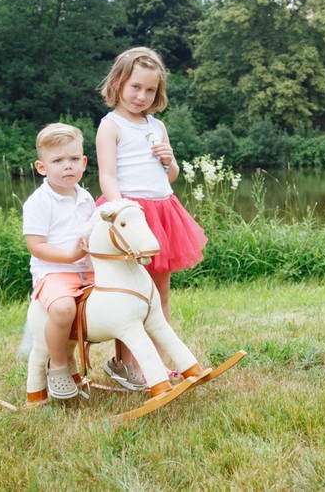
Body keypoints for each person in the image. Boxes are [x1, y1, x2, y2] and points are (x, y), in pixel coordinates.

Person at [95, 46, 207, 391]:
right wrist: (121, 213)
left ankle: (157, 363)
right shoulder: (110, 126)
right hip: (132, 217)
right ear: (118, 83)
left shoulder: (157, 126)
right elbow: (108, 176)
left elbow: (169, 177)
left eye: (149, 90)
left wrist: (169, 159)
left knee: (158, 295)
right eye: (135, 87)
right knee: (129, 297)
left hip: (163, 213)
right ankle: (127, 366)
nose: (141, 96)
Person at [21, 122, 96, 400]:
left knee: (123, 301)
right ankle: (59, 365)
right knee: (64, 309)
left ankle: (125, 365)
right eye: (58, 161)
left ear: (84, 162)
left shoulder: (86, 197)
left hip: (88, 271)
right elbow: (36, 246)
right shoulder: (39, 202)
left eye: (74, 159)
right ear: (42, 167)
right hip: (54, 272)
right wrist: (69, 256)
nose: (68, 166)